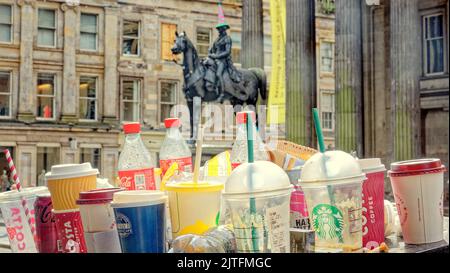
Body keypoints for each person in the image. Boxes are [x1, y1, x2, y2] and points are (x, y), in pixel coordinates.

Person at [208, 4, 241, 102]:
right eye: (218, 29)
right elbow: (213, 49)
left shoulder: (227, 39)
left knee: (218, 74)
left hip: (223, 61)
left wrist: (216, 55)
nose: (219, 30)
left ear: (224, 29)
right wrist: (210, 52)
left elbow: (227, 52)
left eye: (220, 29)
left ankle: (222, 93)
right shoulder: (218, 39)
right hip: (215, 59)